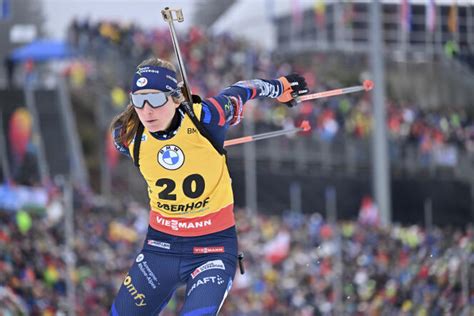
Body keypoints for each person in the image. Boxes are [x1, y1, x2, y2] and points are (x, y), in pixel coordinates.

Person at [109, 57, 308, 315]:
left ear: (176, 97)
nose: (147, 110)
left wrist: (279, 87)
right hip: (160, 248)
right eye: (139, 100)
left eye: (156, 99)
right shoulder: (127, 135)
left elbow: (242, 89)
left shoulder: (207, 116)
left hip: (212, 249)